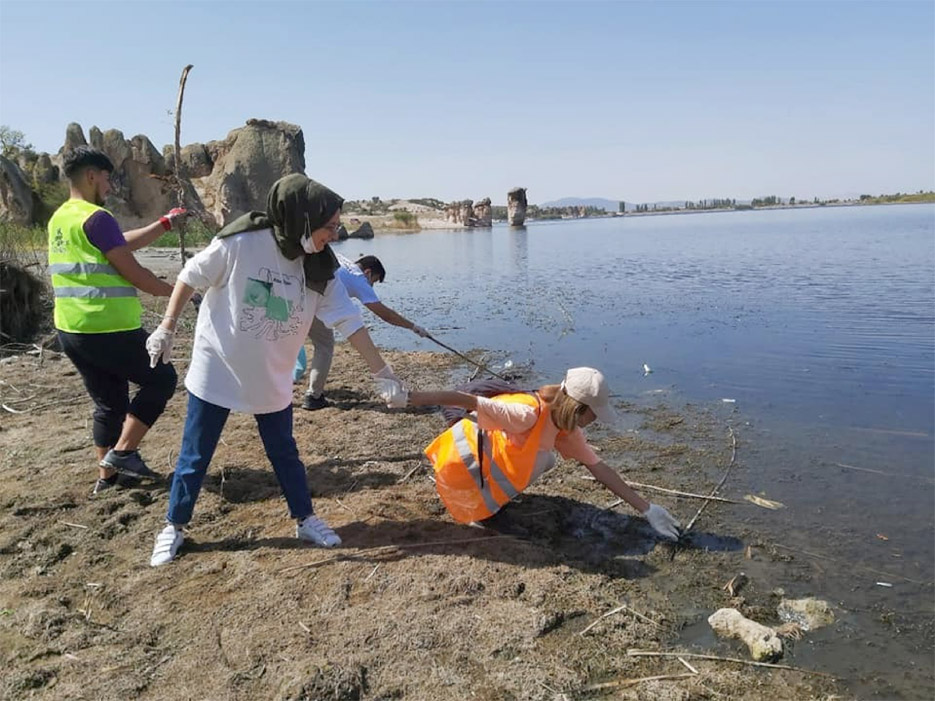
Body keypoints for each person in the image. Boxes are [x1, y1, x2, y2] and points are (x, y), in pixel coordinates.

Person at [145, 174, 406, 567]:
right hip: (219, 364)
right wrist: (166, 327)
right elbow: (189, 276)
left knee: (284, 452)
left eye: (338, 227)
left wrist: (383, 374)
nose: (335, 235)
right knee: (196, 455)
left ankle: (305, 519)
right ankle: (174, 526)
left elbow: (351, 323)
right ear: (303, 218)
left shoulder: (321, 268)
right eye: (329, 227)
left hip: (271, 372)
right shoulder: (241, 241)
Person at [389, 368, 681, 540]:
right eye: (594, 414)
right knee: (542, 459)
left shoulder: (565, 430)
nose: (596, 421)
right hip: (458, 470)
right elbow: (461, 399)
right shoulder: (527, 414)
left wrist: (647, 509)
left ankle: (488, 500)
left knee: (547, 458)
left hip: (474, 468)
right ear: (578, 409)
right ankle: (480, 510)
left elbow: (599, 468)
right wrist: (409, 397)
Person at [48, 146, 187, 495]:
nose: (109, 187)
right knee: (161, 379)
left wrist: (164, 224)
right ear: (92, 176)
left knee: (109, 404)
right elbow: (135, 274)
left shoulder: (63, 218)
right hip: (107, 328)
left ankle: (107, 480)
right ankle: (123, 453)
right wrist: (181, 292)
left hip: (72, 331)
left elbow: (117, 245)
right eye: (107, 179)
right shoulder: (96, 218)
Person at [299, 253, 429, 410]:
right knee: (324, 346)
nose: (371, 286)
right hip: (317, 299)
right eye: (373, 281)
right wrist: (414, 327)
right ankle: (314, 396)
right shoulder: (359, 279)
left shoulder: (342, 260)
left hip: (299, 292)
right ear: (368, 272)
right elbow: (385, 315)